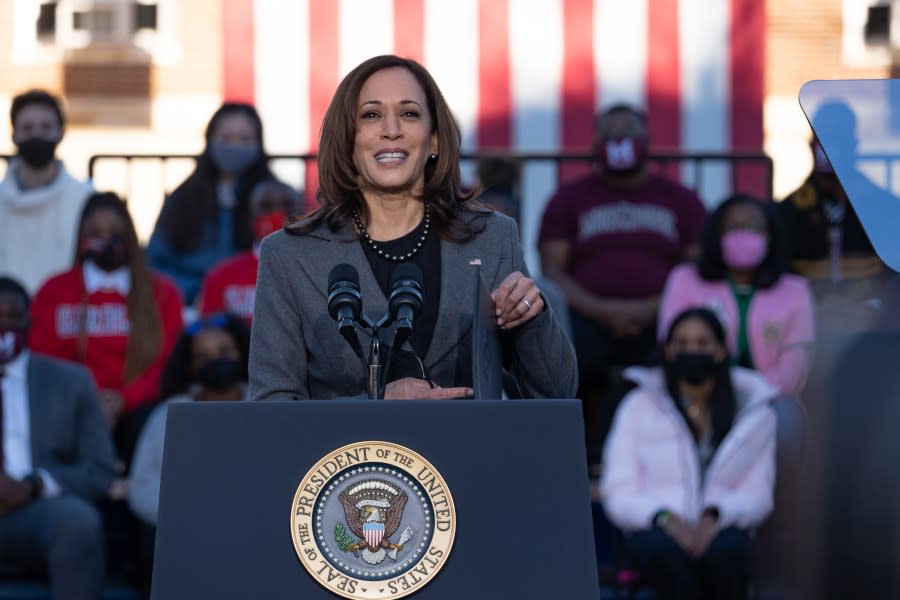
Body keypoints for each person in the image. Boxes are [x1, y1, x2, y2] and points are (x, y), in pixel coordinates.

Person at [249, 54, 576, 401]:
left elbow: (556, 393)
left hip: (468, 450)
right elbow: (273, 407)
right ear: (347, 140)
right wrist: (377, 407)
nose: (392, 130)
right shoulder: (288, 255)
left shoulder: (492, 239)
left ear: (434, 139)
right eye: (371, 115)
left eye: (409, 113)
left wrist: (531, 318)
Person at [538, 104, 707, 464]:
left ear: (648, 140)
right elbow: (553, 270)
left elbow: (697, 265)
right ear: (595, 143)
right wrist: (604, 311)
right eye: (609, 131)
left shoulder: (679, 199)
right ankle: (569, 455)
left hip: (663, 315)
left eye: (628, 128)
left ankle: (675, 453)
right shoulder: (570, 198)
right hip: (587, 317)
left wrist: (653, 308)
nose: (619, 138)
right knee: (566, 359)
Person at [600, 307, 777, 600]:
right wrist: (667, 520)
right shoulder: (638, 405)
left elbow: (758, 493)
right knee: (662, 553)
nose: (691, 350)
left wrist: (713, 517)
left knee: (728, 552)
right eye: (681, 343)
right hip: (656, 524)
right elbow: (618, 490)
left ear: (721, 350)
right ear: (668, 350)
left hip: (724, 523)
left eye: (702, 343)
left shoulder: (754, 412)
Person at [28, 192, 183, 461]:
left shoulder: (162, 292)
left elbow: (168, 362)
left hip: (139, 410)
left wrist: (122, 400)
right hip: (71, 408)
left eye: (115, 231)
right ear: (82, 237)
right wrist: (90, 400)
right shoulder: (54, 291)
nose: (106, 239)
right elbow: (45, 358)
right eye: (95, 231)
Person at [0, 275, 117, 600]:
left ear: (29, 321)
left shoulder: (71, 381)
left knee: (78, 523)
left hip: (40, 509)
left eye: (12, 317)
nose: (4, 327)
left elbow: (100, 471)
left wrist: (34, 485)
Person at [127, 313, 249, 591]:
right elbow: (141, 488)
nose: (216, 361)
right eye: (203, 357)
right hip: (184, 532)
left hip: (254, 527)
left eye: (224, 351)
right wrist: (189, 516)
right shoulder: (169, 413)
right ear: (190, 365)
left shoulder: (268, 404)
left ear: (243, 352)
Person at [658, 193, 815, 399]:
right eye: (732, 227)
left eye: (753, 227)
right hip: (699, 393)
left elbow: (795, 365)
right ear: (716, 234)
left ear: (770, 236)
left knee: (786, 420)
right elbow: (671, 346)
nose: (743, 234)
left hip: (769, 397)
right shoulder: (684, 280)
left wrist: (751, 390)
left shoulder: (796, 290)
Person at [147, 102, 276, 304]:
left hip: (257, 310)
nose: (235, 146)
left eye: (245, 139)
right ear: (210, 140)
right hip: (194, 311)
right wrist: (198, 292)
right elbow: (156, 265)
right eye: (226, 138)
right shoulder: (181, 200)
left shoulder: (275, 200)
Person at [0, 89, 93, 294]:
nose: (36, 135)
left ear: (60, 132)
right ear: (14, 134)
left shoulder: (86, 199)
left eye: (45, 127)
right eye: (27, 127)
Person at [196, 180, 304, 324]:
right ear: (251, 218)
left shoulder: (317, 270)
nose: (277, 213)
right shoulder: (221, 276)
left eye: (287, 206)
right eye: (266, 206)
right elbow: (211, 334)